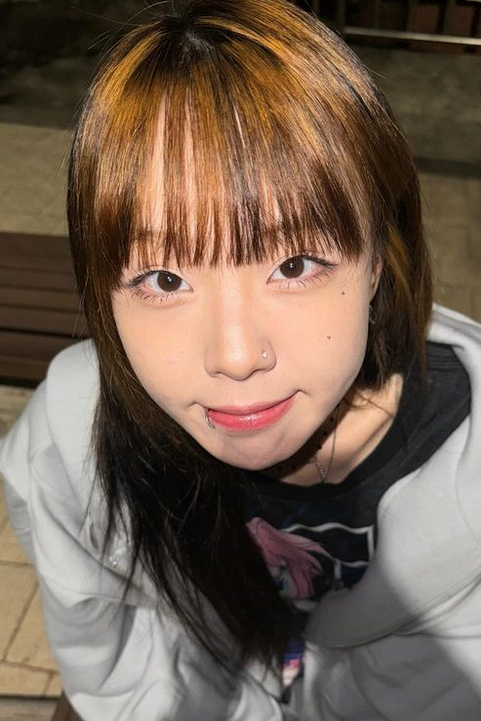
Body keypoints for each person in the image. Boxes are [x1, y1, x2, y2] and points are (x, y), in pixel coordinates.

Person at [0, 0, 480, 719]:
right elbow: (113, 671)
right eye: (164, 279)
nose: (233, 357)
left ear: (377, 261)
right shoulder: (67, 444)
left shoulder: (465, 472)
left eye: (295, 265)